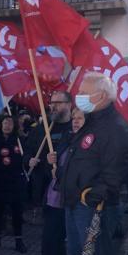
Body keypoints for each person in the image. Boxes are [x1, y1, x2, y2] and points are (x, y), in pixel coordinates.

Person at [52, 72, 128, 255]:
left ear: (102, 95)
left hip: (92, 210)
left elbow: (114, 174)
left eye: (84, 93)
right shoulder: (91, 123)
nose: (79, 96)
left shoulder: (115, 128)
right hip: (74, 206)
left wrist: (90, 197)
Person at [35, 106, 82, 255]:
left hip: (75, 204)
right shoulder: (66, 138)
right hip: (55, 201)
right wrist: (49, 161)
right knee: (49, 247)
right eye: (74, 118)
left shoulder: (89, 143)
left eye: (80, 118)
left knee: (78, 253)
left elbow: (82, 172)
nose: (76, 121)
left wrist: (60, 173)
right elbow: (52, 171)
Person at [24, 91, 74, 222]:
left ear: (69, 105)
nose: (53, 106)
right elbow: (28, 151)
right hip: (44, 188)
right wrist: (29, 160)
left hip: (68, 189)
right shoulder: (41, 129)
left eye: (58, 103)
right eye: (52, 103)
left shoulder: (76, 129)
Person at [0, 114, 27, 253]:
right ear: (0, 124)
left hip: (15, 182)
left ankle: (19, 240)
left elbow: (26, 158)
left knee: (17, 212)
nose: (7, 126)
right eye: (5, 123)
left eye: (10, 123)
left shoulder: (19, 140)